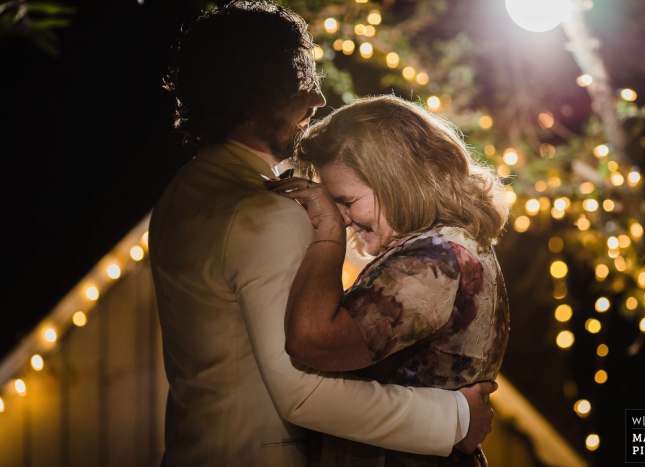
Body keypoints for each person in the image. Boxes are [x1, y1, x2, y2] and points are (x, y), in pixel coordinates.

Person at [149, 2, 497, 466]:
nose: (316, 101)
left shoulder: (178, 195)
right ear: (258, 97)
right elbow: (303, 390)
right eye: (299, 86)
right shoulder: (266, 212)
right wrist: (456, 417)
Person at [265, 95, 511, 466]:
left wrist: (328, 232)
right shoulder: (447, 244)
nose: (344, 217)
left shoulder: (435, 257)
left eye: (346, 201)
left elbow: (311, 340)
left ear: (396, 179)